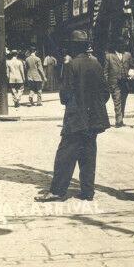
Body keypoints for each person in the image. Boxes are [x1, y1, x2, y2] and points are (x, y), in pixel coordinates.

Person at [37, 30, 110, 202]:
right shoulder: (96, 64)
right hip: (94, 119)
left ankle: (57, 191)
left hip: (76, 119)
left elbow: (65, 95)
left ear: (73, 46)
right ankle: (87, 191)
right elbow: (105, 93)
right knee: (88, 154)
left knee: (65, 156)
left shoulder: (71, 65)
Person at [103, 42, 134, 127]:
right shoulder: (109, 56)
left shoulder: (128, 55)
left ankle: (121, 118)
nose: (122, 46)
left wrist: (132, 74)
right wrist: (106, 83)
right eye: (120, 44)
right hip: (114, 82)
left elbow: (132, 67)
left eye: (123, 44)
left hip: (125, 82)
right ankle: (118, 120)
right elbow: (105, 71)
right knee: (117, 100)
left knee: (123, 100)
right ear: (115, 46)